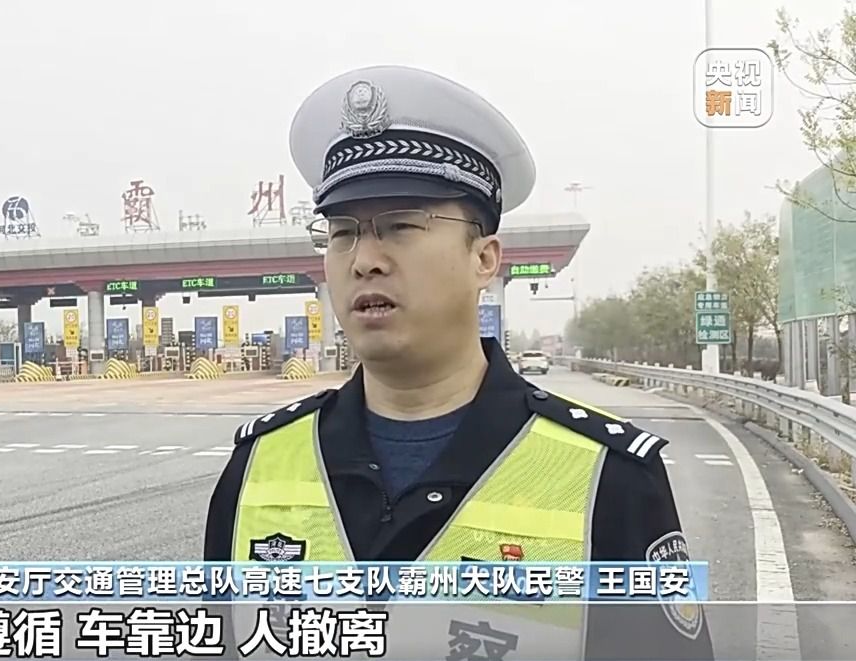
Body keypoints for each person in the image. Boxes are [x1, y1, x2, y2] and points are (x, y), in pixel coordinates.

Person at [204, 65, 714, 660]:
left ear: (484, 259)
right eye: (342, 233)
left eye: (401, 226)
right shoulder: (257, 466)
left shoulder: (609, 478)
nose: (364, 259)